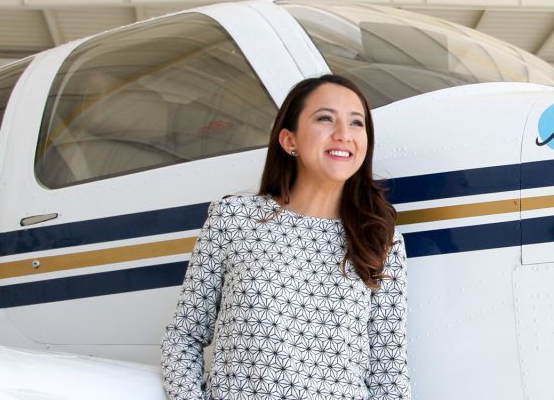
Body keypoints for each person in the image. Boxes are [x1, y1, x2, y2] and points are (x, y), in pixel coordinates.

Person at [161, 74, 409, 400]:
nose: (343, 135)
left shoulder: (382, 242)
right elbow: (183, 336)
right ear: (289, 140)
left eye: (356, 123)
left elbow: (388, 374)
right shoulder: (234, 218)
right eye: (325, 118)